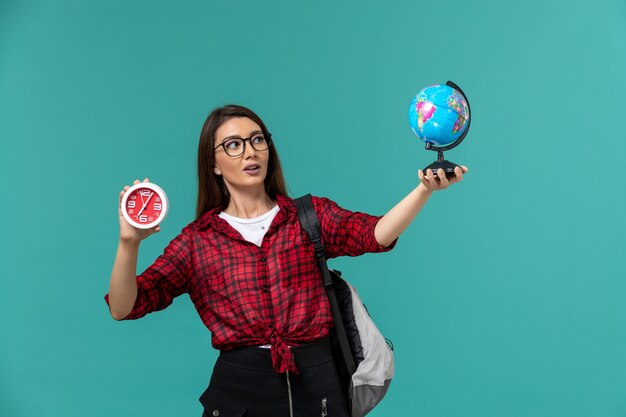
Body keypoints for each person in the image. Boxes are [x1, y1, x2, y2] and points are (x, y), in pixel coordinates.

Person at [105, 104, 467, 417]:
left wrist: (424, 190)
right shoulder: (198, 241)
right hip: (240, 392)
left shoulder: (308, 217)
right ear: (213, 163)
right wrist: (129, 242)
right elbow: (125, 306)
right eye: (233, 145)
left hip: (318, 384)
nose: (250, 152)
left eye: (257, 139)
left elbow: (373, 233)